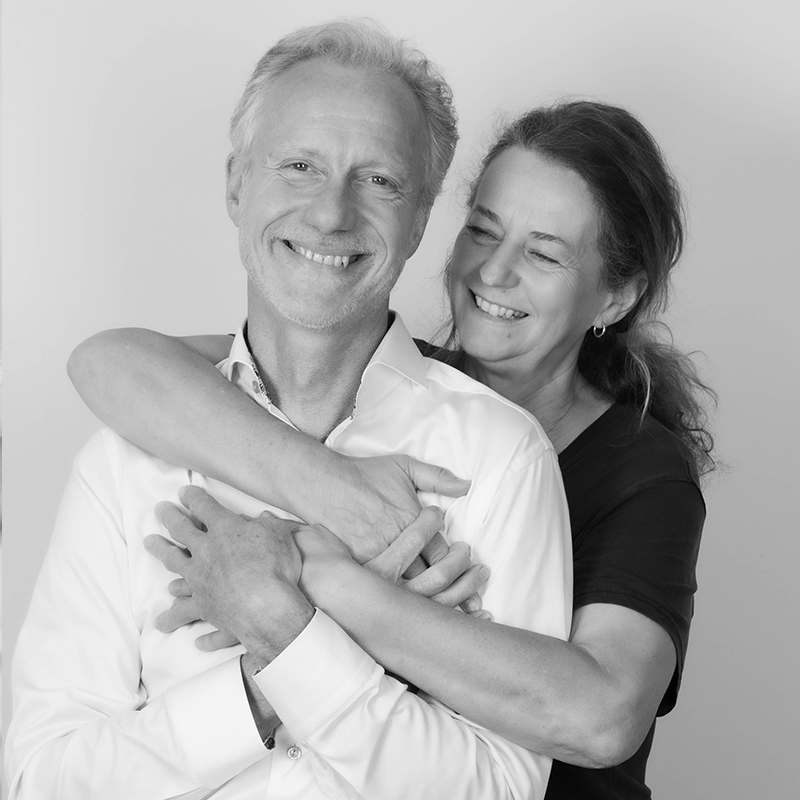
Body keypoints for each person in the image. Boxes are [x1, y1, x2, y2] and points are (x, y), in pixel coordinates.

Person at [67, 96, 713, 798]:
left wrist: (322, 582)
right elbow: (110, 364)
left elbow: (602, 718)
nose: (494, 273)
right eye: (483, 231)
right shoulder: (382, 378)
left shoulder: (640, 472)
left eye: (545, 254)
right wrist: (330, 490)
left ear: (616, 297)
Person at [6, 20, 574, 800]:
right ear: (236, 184)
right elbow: (41, 781)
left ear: (420, 220)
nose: (331, 215)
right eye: (299, 165)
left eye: (379, 180)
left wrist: (287, 628)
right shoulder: (121, 462)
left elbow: (505, 790)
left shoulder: (499, 456)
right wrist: (273, 678)